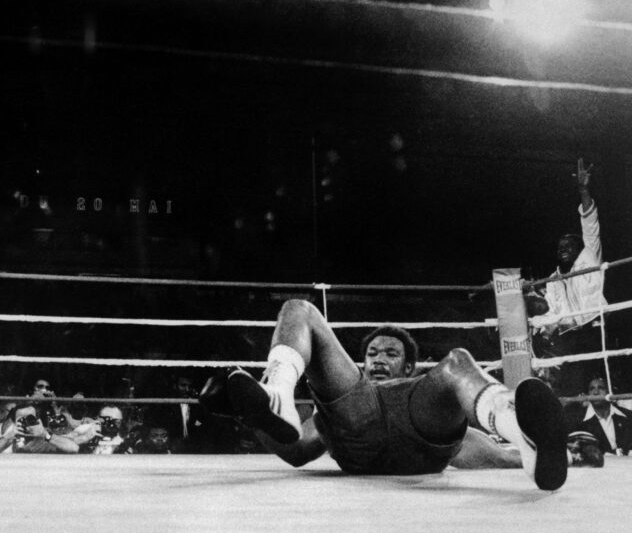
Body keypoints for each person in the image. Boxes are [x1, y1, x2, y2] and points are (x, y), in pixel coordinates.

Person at [199, 300, 568, 490]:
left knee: (458, 362)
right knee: (299, 310)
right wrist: (254, 417)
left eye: (391, 354)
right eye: (372, 354)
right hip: (361, 424)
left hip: (418, 424)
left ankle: (521, 430)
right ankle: (277, 392)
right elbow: (296, 448)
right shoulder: (347, 407)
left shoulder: (424, 395)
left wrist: (558, 451)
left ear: (409, 367)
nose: (378, 360)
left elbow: (491, 456)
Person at [529, 158, 607, 398]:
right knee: (568, 383)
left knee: (599, 380)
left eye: (568, 246)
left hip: (594, 327)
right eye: (559, 247)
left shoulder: (589, 256)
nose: (562, 249)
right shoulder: (553, 280)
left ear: (579, 247)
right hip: (569, 336)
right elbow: (553, 311)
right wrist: (539, 328)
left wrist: (584, 190)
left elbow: (590, 223)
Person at [575, 376, 632, 456]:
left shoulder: (628, 416)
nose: (596, 392)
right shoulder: (579, 422)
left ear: (609, 392)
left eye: (601, 388)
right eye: (592, 389)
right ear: (588, 394)